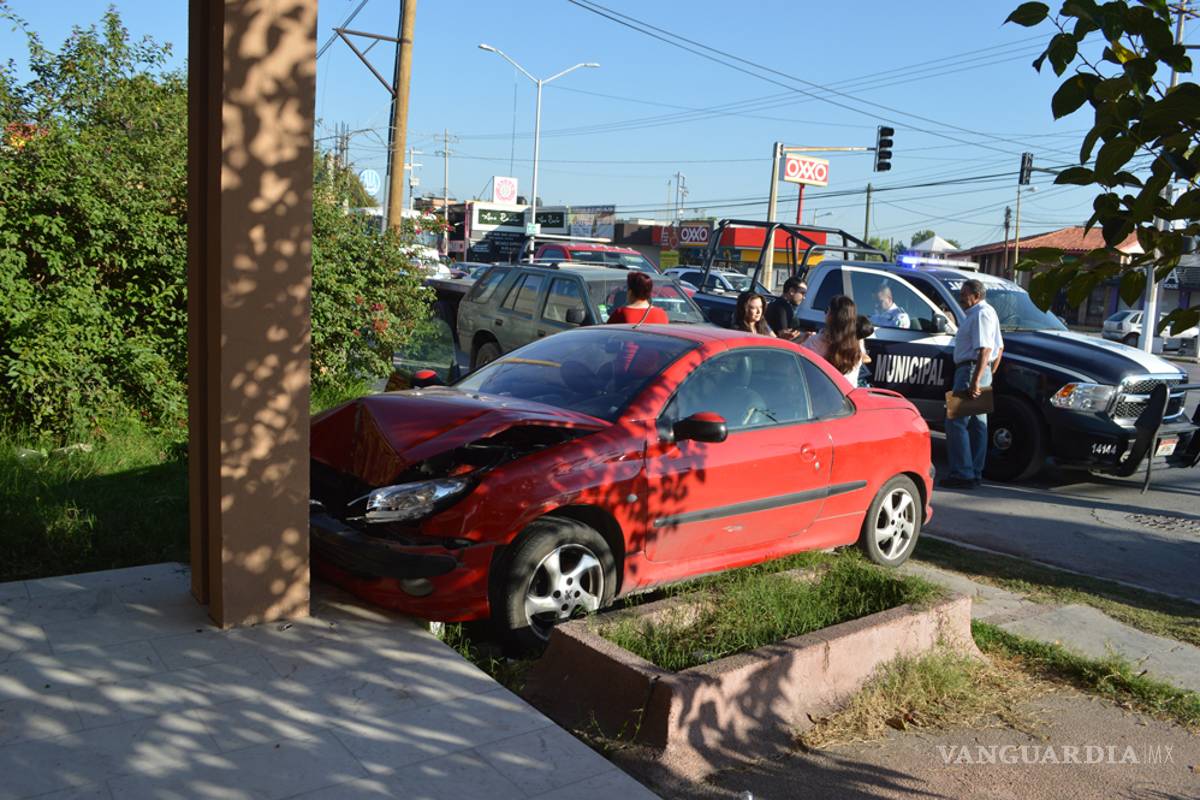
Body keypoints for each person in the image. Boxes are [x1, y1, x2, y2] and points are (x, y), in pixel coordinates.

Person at [942, 279, 1004, 489]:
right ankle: (973, 472)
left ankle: (962, 473)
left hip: (971, 370)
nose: (961, 297)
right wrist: (988, 374)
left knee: (955, 421)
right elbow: (999, 348)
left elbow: (985, 349)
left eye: (964, 294)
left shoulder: (981, 314)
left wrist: (977, 379)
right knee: (978, 424)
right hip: (978, 370)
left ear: (976, 296)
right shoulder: (985, 313)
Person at [802, 295, 862, 384]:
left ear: (831, 316)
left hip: (818, 394)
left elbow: (800, 368)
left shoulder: (815, 342)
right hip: (847, 394)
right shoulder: (857, 346)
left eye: (827, 310)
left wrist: (800, 339)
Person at [765, 277, 811, 342]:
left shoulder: (778, 303)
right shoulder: (782, 306)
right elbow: (783, 338)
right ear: (792, 291)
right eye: (802, 293)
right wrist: (804, 337)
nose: (804, 297)